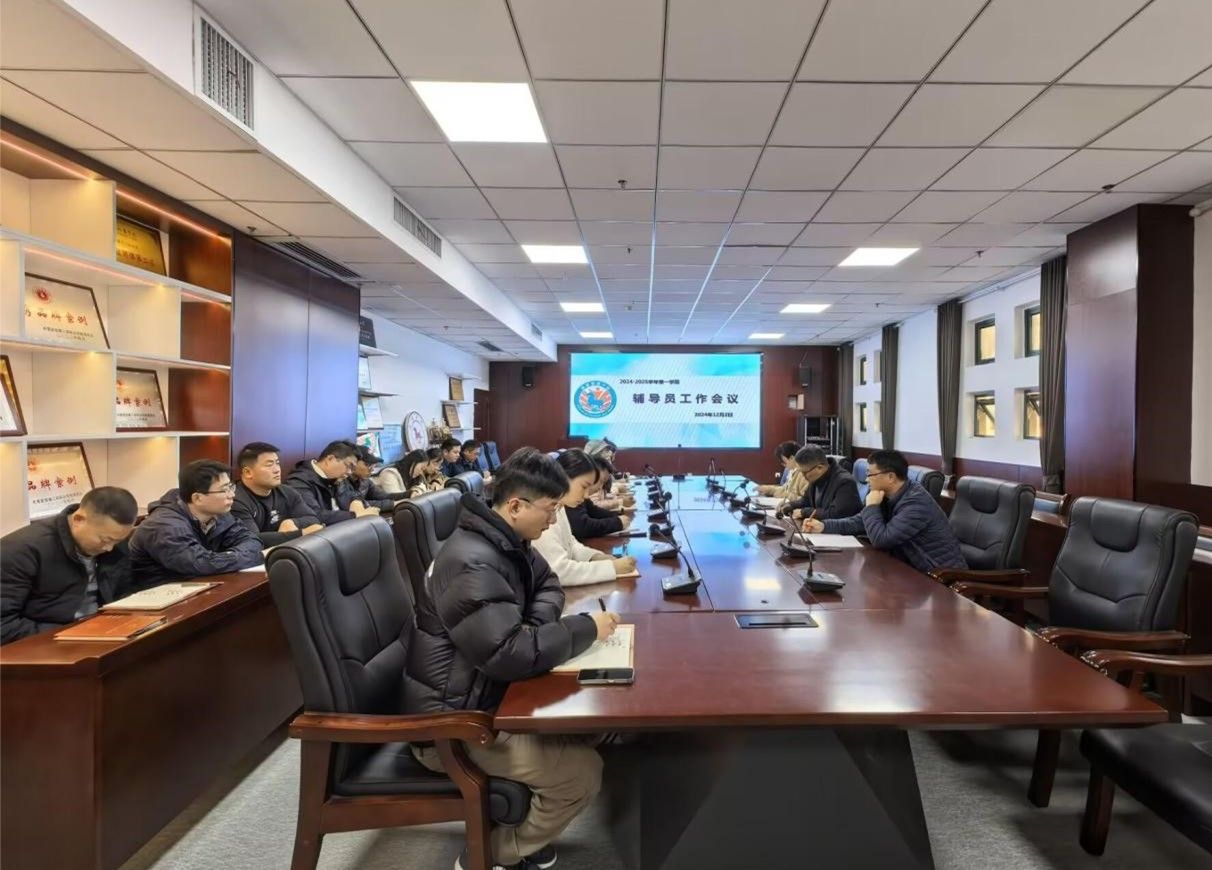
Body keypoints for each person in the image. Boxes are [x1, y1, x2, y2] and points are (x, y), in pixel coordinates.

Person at [405, 447, 616, 870]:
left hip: (486, 694)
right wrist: (585, 629)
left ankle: (521, 825)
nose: (554, 520)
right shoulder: (471, 561)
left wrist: (532, 629)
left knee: (595, 727)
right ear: (516, 505)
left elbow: (548, 584)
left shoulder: (506, 538)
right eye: (550, 509)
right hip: (453, 724)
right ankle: (491, 853)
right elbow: (510, 654)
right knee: (582, 774)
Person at [1, 487, 139, 644]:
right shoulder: (21, 550)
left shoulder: (114, 542)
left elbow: (123, 593)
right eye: (105, 540)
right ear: (78, 519)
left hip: (102, 631)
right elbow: (4, 624)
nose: (109, 548)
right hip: (50, 641)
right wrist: (70, 633)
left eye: (118, 541)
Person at [803, 449, 967, 575]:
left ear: (891, 477)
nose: (866, 479)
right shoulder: (886, 494)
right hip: (908, 569)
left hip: (940, 577)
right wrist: (823, 526)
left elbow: (881, 540)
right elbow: (859, 522)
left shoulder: (916, 503)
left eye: (870, 474)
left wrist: (872, 507)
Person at [130, 460, 264, 584]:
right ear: (197, 498)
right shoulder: (165, 525)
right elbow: (199, 564)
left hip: (198, 585)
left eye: (230, 487)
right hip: (158, 593)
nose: (232, 495)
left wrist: (228, 557)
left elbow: (252, 540)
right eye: (224, 490)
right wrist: (240, 557)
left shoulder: (218, 512)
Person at [534, 449, 638, 586]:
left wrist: (596, 557)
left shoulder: (559, 505)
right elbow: (559, 571)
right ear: (563, 477)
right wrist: (611, 568)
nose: (586, 495)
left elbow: (571, 544)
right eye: (584, 487)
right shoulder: (543, 511)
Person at [231, 442, 324, 547]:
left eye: (277, 463)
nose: (277, 470)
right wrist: (301, 533)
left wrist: (293, 522)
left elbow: (313, 518)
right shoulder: (234, 500)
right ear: (248, 472)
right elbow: (252, 540)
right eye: (269, 465)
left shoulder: (287, 492)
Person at [284, 440, 379, 524]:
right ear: (330, 459)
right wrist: (356, 515)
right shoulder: (298, 481)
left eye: (352, 469)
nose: (349, 472)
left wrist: (356, 501)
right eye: (349, 466)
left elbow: (353, 494)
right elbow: (314, 515)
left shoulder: (338, 477)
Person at [779, 445, 863, 522]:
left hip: (841, 532)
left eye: (804, 473)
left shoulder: (845, 482)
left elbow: (836, 514)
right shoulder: (815, 477)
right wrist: (790, 505)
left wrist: (804, 512)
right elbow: (806, 500)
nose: (803, 477)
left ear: (819, 468)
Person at [566, 455, 634, 541]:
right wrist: (617, 523)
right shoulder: (570, 495)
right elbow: (582, 527)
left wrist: (618, 516)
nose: (586, 496)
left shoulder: (579, 493)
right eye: (601, 481)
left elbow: (593, 511)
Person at [347, 444, 404, 510]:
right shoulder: (342, 482)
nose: (372, 470)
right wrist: (393, 504)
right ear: (354, 462)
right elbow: (358, 504)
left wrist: (409, 494)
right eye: (367, 465)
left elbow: (384, 496)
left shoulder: (365, 481)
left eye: (373, 466)